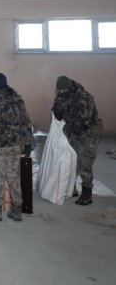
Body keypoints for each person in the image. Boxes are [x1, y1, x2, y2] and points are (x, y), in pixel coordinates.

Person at [0, 72, 32, 222]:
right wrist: (26, 142)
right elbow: (25, 123)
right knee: (13, 177)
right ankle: (17, 210)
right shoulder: (17, 100)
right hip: (14, 145)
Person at [52, 76, 102, 206]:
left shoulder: (85, 97)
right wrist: (57, 111)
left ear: (70, 88)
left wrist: (64, 112)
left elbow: (84, 118)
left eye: (64, 91)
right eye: (60, 91)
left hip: (86, 134)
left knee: (84, 163)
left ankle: (87, 193)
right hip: (71, 133)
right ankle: (70, 188)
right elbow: (57, 114)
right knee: (70, 162)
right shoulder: (60, 97)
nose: (62, 93)